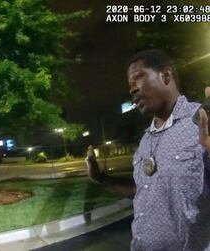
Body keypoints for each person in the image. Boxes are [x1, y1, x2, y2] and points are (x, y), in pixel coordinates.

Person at [87, 49, 210, 250]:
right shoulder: (145, 140)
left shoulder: (202, 123)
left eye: (138, 78)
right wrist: (100, 178)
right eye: (129, 85)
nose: (132, 89)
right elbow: (143, 191)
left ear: (165, 75)